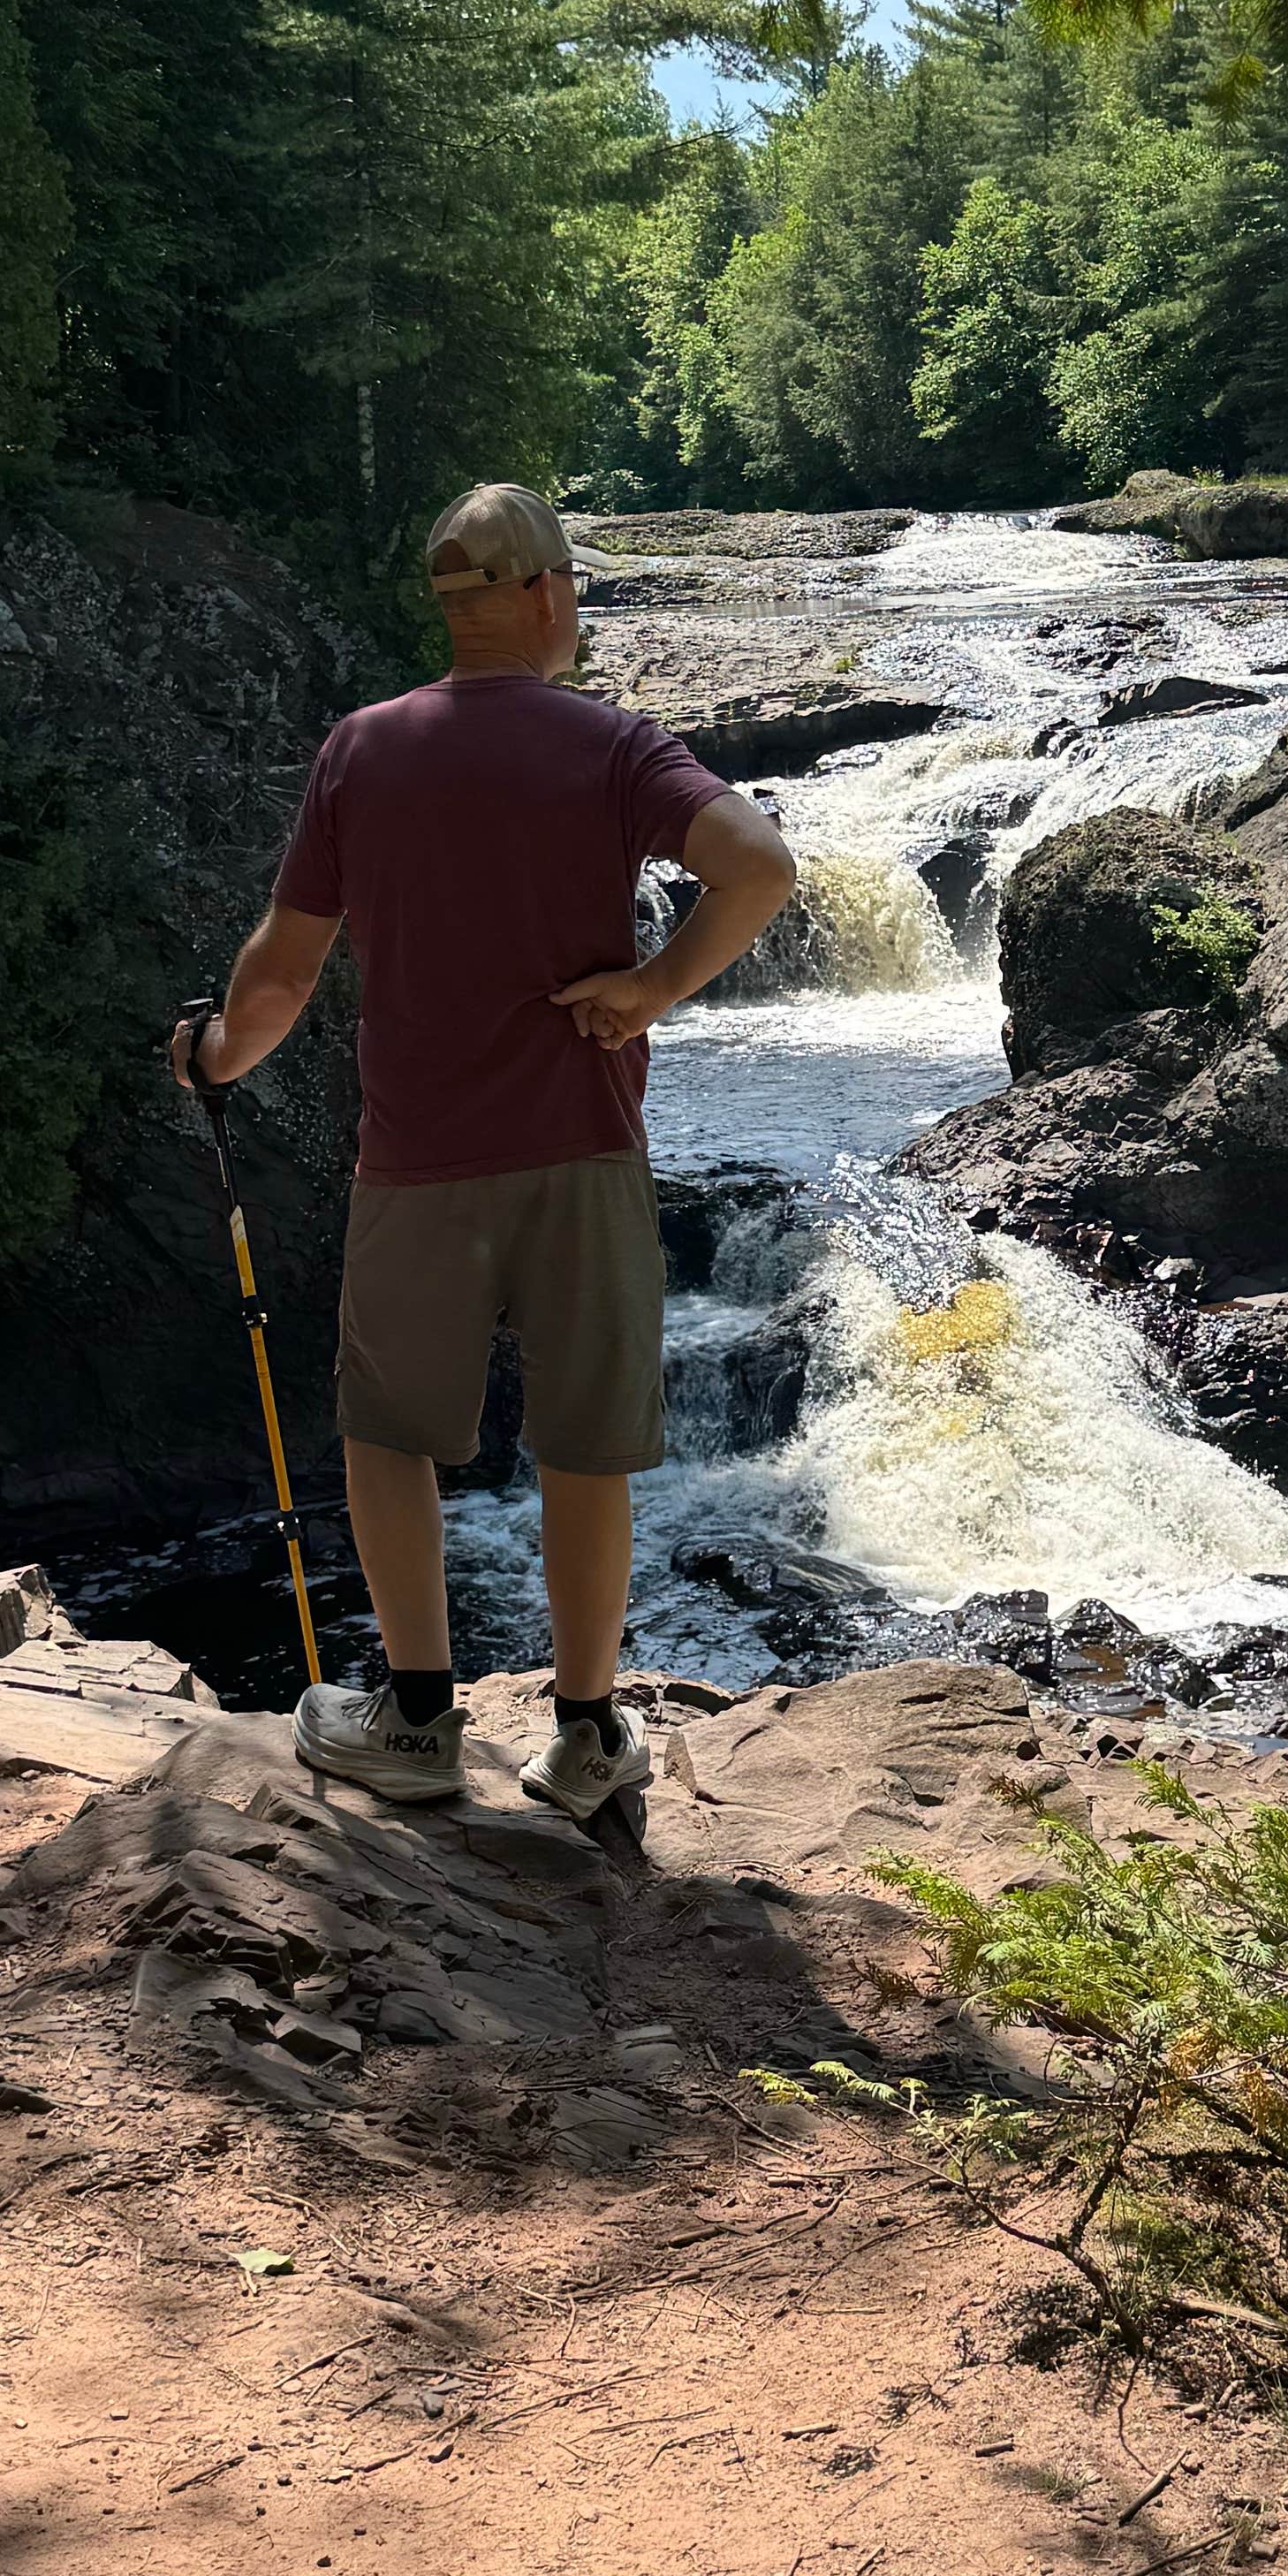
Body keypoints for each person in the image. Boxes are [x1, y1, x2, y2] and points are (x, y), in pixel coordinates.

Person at [171, 482, 796, 1821]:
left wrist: (215, 1056)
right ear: (550, 594)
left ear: (450, 606)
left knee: (390, 1434)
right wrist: (652, 987)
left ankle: (414, 1723)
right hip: (585, 1146)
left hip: (417, 1158)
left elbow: (283, 973)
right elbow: (757, 864)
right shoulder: (614, 748)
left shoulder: (364, 749)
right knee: (583, 1446)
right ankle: (586, 1735)